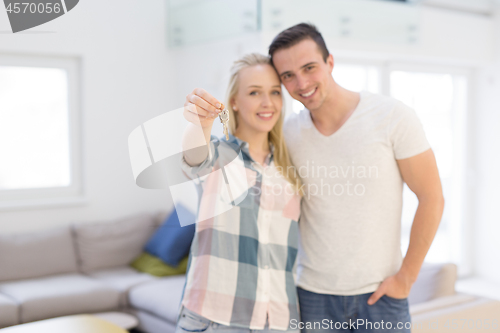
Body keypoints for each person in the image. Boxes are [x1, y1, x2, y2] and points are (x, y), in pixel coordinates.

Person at [268, 23, 445, 332]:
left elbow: (432, 197)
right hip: (312, 297)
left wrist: (407, 277)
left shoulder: (391, 117)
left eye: (309, 67)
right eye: (288, 76)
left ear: (330, 63)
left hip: (381, 297)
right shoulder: (287, 134)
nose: (302, 82)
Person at [176, 53, 302, 333]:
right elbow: (194, 155)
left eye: (274, 92)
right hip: (215, 320)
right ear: (234, 100)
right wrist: (200, 122)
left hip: (280, 320)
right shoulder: (219, 156)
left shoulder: (289, 168)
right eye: (254, 92)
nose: (267, 102)